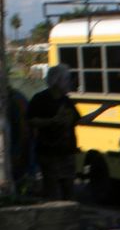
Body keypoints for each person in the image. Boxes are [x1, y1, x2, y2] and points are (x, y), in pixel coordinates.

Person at [27, 64, 108, 200]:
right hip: (49, 155)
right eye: (66, 79)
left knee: (69, 194)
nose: (70, 83)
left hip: (67, 154)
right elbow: (31, 121)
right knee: (53, 195)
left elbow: (80, 121)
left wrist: (102, 109)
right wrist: (52, 121)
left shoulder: (67, 101)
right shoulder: (40, 99)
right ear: (56, 81)